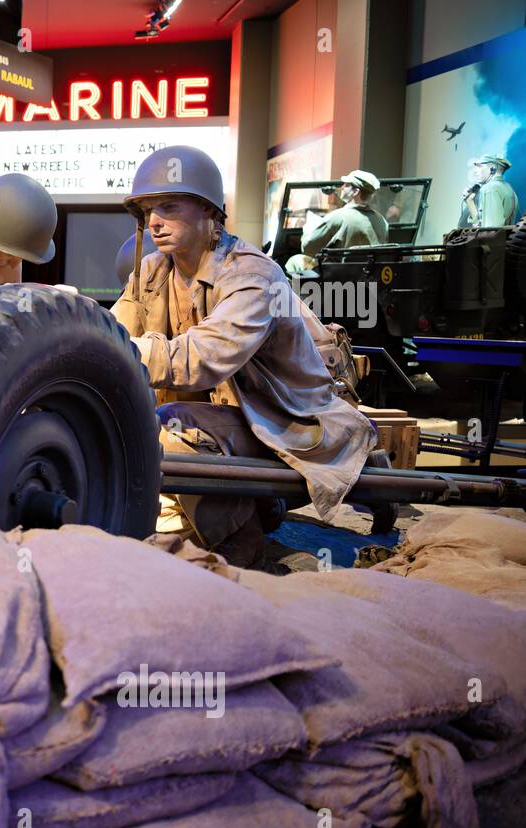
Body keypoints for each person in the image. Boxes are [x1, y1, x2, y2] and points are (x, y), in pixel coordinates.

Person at [111, 145, 378, 567]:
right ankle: (250, 506)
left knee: (169, 430)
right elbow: (117, 332)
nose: (154, 222)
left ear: (208, 212)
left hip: (282, 418)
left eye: (168, 206)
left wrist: (113, 350)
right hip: (224, 415)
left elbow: (200, 359)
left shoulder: (253, 274)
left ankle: (242, 539)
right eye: (146, 212)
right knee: (145, 425)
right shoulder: (152, 270)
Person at [299, 169, 389, 261]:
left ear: (356, 192)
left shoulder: (337, 217)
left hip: (339, 273)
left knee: (295, 261)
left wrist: (308, 227)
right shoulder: (382, 221)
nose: (342, 187)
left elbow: (307, 248)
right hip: (370, 273)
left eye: (347, 185)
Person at [464, 154, 518, 228]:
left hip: (495, 239)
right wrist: (469, 201)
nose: (476, 171)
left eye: (480, 166)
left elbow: (490, 231)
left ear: (493, 169)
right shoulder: (509, 188)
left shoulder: (489, 188)